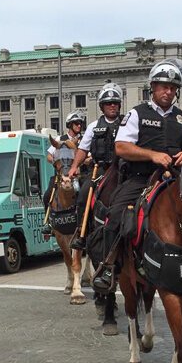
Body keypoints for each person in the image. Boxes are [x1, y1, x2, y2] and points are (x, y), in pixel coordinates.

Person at [92, 58, 182, 292]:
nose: (168, 91)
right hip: (141, 178)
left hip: (175, 179)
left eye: (173, 88)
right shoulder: (137, 114)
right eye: (163, 86)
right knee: (116, 214)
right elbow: (121, 147)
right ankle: (108, 266)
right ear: (153, 87)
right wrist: (152, 155)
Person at [67, 82, 123, 250]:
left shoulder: (128, 122)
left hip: (124, 169)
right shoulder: (93, 126)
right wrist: (74, 167)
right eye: (108, 103)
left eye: (115, 103)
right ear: (102, 106)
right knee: (83, 194)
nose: (112, 106)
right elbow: (83, 149)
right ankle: (81, 233)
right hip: (101, 170)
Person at [43, 110, 86, 213]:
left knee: (85, 193)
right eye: (76, 123)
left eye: (81, 123)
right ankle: (48, 221)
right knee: (47, 195)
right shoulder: (60, 139)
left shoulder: (84, 140)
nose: (79, 126)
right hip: (61, 175)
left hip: (79, 176)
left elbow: (89, 157)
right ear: (70, 125)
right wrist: (56, 161)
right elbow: (49, 156)